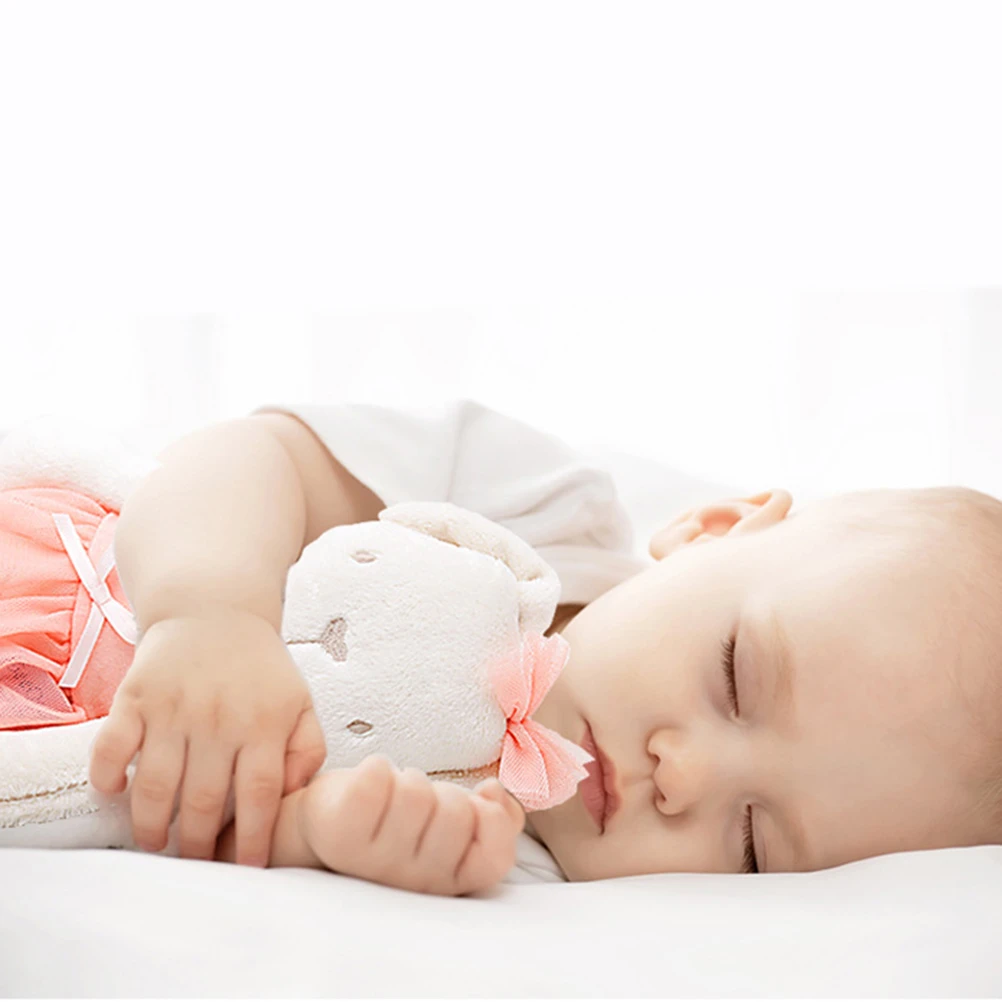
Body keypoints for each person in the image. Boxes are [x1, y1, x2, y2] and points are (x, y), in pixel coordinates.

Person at [41, 398, 1002, 892]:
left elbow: (196, 827)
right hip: (56, 573)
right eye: (735, 677)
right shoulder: (538, 509)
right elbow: (254, 455)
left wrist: (327, 837)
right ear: (710, 529)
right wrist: (209, 613)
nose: (687, 774)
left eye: (754, 845)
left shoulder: (517, 871)